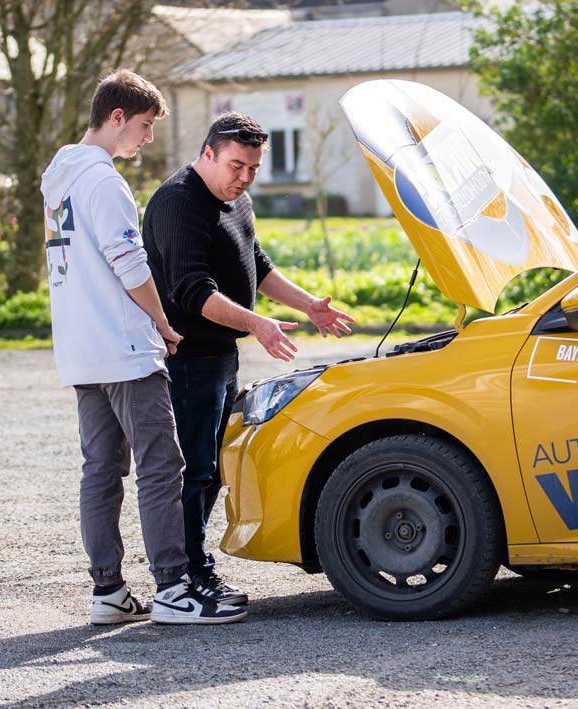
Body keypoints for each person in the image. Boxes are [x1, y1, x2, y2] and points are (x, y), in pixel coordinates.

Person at [40, 70, 246, 625]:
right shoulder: (104, 182)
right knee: (163, 467)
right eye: (145, 125)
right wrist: (162, 322)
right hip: (124, 346)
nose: (148, 138)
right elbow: (129, 264)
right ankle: (174, 589)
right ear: (115, 118)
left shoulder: (56, 181)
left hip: (81, 350)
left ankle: (107, 590)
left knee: (101, 470)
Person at [142, 112, 355, 603]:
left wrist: (309, 306)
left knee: (212, 468)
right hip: (187, 360)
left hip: (220, 357)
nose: (244, 178)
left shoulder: (235, 200)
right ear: (208, 153)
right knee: (192, 470)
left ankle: (196, 570)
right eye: (236, 166)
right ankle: (182, 578)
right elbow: (192, 292)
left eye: (254, 168)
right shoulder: (179, 203)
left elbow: (256, 266)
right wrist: (258, 324)